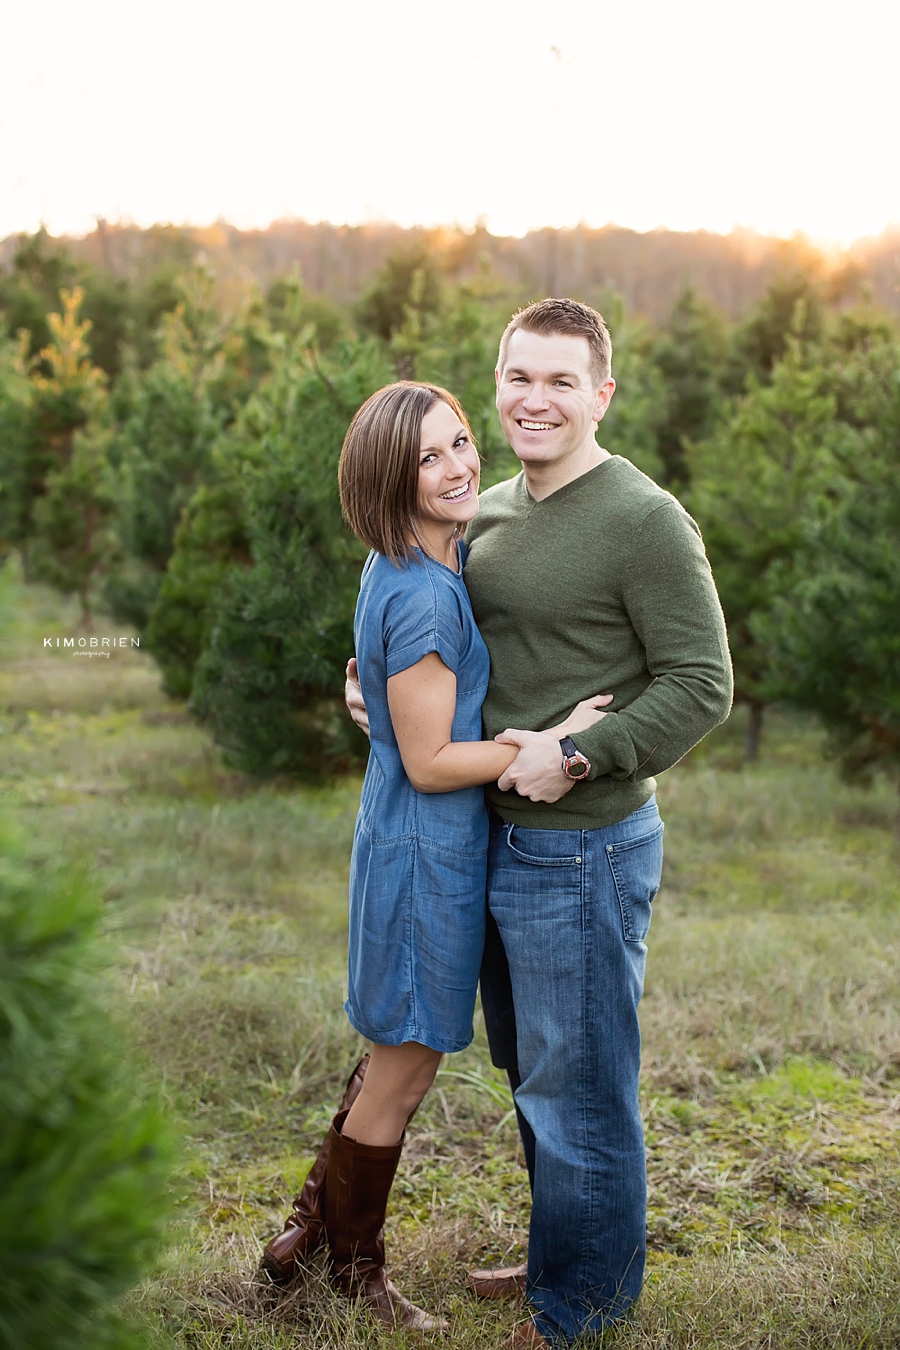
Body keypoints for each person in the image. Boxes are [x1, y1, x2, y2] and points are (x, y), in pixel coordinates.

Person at [345, 299, 733, 1347]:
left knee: (585, 1083)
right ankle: (568, 1256)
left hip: (586, 844)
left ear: (602, 394)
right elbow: (440, 640)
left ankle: (581, 1311)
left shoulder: (645, 520)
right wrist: (369, 684)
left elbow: (703, 683)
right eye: (520, 378)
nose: (536, 400)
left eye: (563, 381)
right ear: (498, 382)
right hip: (497, 840)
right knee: (536, 1075)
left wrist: (578, 754)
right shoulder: (492, 512)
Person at [259, 380, 610, 1332]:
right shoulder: (421, 594)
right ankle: (353, 1271)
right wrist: (546, 740)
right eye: (428, 457)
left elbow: (399, 706)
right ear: (391, 477)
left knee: (391, 1056)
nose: (459, 466)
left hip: (416, 842)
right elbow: (429, 758)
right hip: (425, 853)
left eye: (460, 442)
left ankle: (304, 1241)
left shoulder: (410, 564)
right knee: (406, 1066)